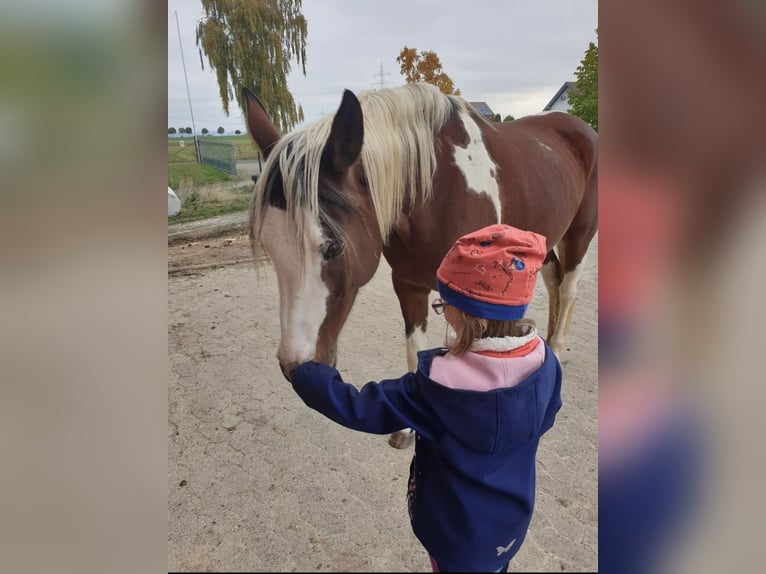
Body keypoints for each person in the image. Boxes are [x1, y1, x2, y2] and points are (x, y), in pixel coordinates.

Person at [286, 223, 563, 572]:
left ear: (462, 313)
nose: (441, 308)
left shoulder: (435, 388)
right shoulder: (545, 363)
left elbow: (358, 407)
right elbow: (549, 416)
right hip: (509, 527)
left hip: (452, 538)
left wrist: (305, 374)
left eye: (442, 302)